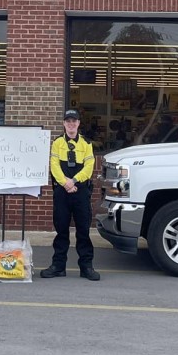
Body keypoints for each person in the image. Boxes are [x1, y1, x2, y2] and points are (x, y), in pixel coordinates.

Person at [41, 109, 100, 281]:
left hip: (80, 191)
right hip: (62, 191)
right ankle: (58, 266)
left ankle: (86, 267)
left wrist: (73, 181)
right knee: (61, 231)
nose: (71, 124)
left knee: (83, 231)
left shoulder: (86, 144)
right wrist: (65, 183)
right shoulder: (57, 143)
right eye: (68, 121)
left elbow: (89, 168)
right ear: (64, 124)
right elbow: (54, 165)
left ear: (79, 123)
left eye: (74, 121)